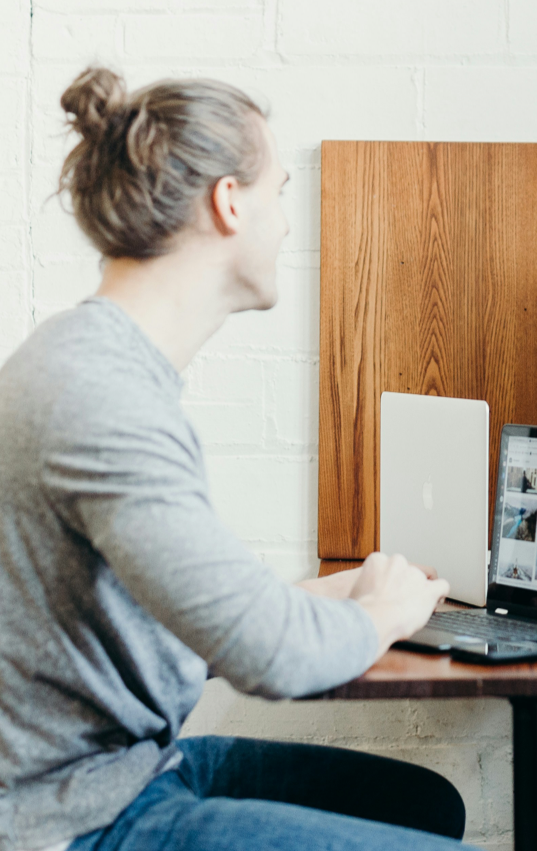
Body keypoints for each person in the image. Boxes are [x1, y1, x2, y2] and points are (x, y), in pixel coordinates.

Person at [0, 67, 471, 851]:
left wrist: (332, 593)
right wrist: (384, 613)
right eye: (279, 192)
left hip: (125, 771)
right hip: (72, 815)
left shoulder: (98, 365)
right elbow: (271, 656)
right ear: (229, 202)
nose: (288, 225)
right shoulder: (99, 399)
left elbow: (190, 619)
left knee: (422, 805)